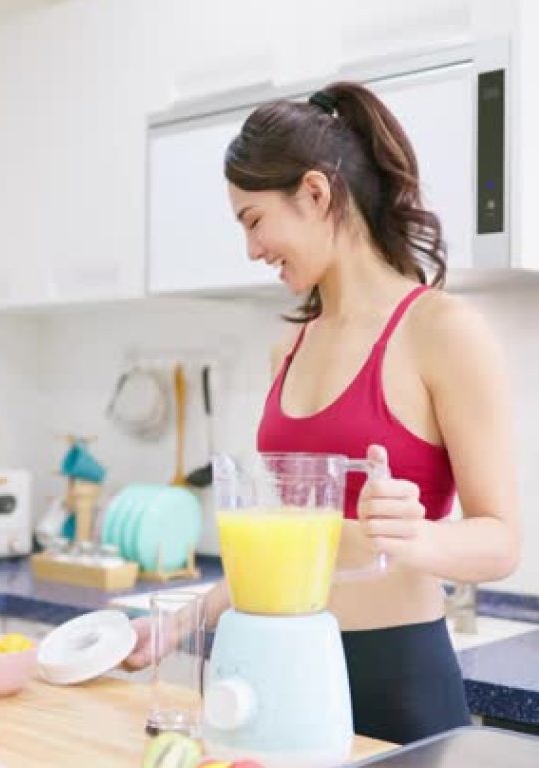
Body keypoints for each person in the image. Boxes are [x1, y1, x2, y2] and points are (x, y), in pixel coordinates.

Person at [124, 81, 521, 745]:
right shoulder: (291, 346)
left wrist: (418, 536)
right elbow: (296, 546)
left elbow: (503, 538)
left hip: (398, 677)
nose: (252, 249)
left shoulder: (443, 330)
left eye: (253, 221)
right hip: (282, 667)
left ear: (314, 193)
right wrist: (184, 618)